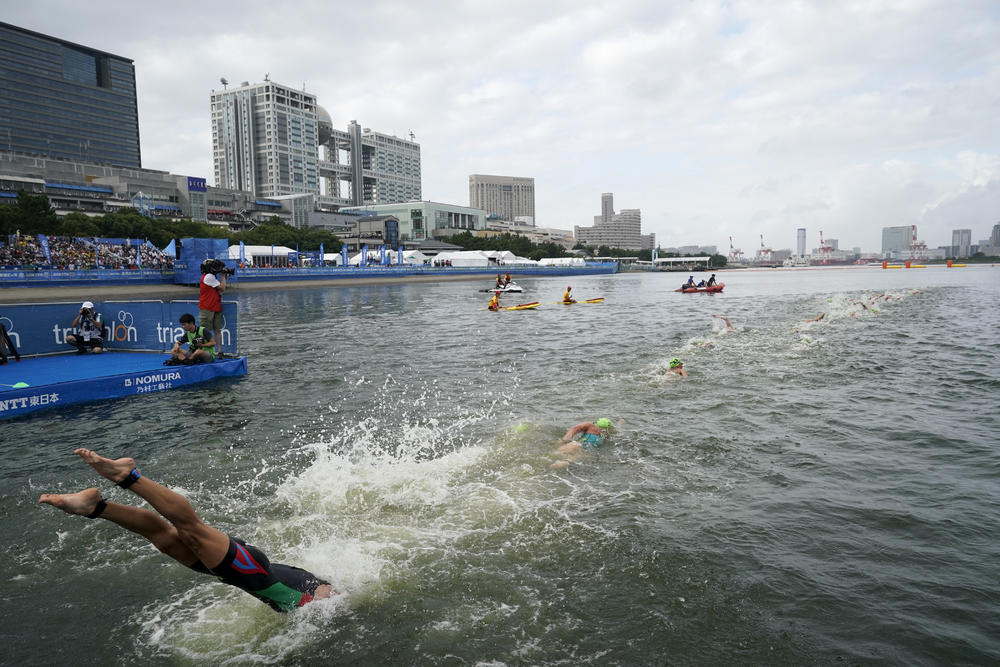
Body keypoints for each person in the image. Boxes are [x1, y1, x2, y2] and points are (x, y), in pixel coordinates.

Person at [38, 448, 332, 613]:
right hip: (250, 569)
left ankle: (95, 507)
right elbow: (323, 597)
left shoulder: (314, 592)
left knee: (164, 539)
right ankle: (128, 476)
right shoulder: (327, 602)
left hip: (242, 572)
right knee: (192, 531)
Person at [551, 417, 616, 468]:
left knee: (553, 455)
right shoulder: (605, 437)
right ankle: (563, 463)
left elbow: (575, 428)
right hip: (587, 451)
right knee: (570, 460)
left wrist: (565, 439)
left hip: (576, 445)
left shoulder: (591, 426)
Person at [199, 262, 227, 355]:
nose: (219, 270)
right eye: (218, 268)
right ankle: (202, 351)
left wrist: (224, 277)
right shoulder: (209, 276)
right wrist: (223, 276)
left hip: (215, 306)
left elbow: (220, 289)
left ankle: (219, 351)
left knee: (217, 330)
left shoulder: (212, 277)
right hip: (207, 307)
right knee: (204, 331)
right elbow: (222, 288)